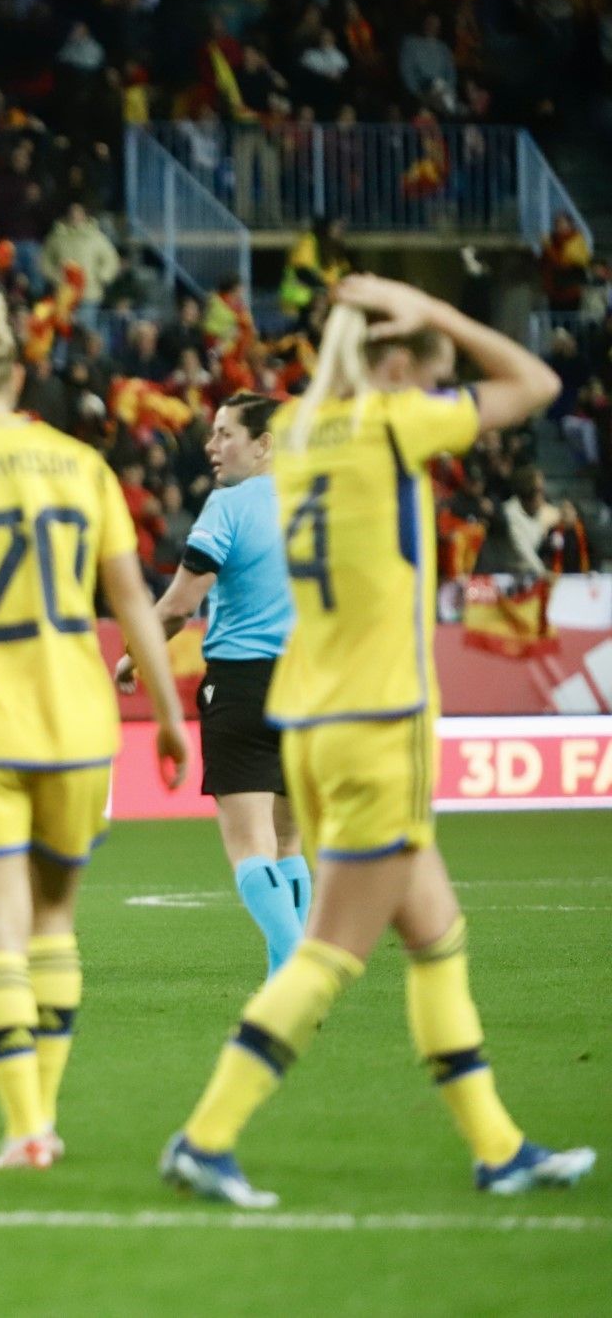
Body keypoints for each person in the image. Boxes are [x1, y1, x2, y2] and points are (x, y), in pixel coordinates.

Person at [162, 274, 595, 1207]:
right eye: (429, 366)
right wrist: (435, 309)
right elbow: (535, 383)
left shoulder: (309, 436)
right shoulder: (388, 422)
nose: (440, 382)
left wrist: (366, 327)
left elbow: (336, 384)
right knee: (330, 953)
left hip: (322, 718)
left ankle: (498, 1145)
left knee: (438, 938)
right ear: (397, 364)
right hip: (376, 724)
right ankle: (207, 1134)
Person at [0, 290, 188, 1170]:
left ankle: (27, 1127)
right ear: (16, 375)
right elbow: (131, 598)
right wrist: (167, 715)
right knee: (55, 920)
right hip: (79, 717)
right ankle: (45, 1110)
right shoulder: (81, 465)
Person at [116, 394, 306, 976]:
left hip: (244, 685)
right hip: (310, 685)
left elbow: (179, 604)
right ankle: (285, 978)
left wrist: (134, 656)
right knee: (289, 844)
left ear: (264, 443)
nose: (211, 445)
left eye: (226, 434)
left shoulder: (228, 506)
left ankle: (300, 963)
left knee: (250, 846)